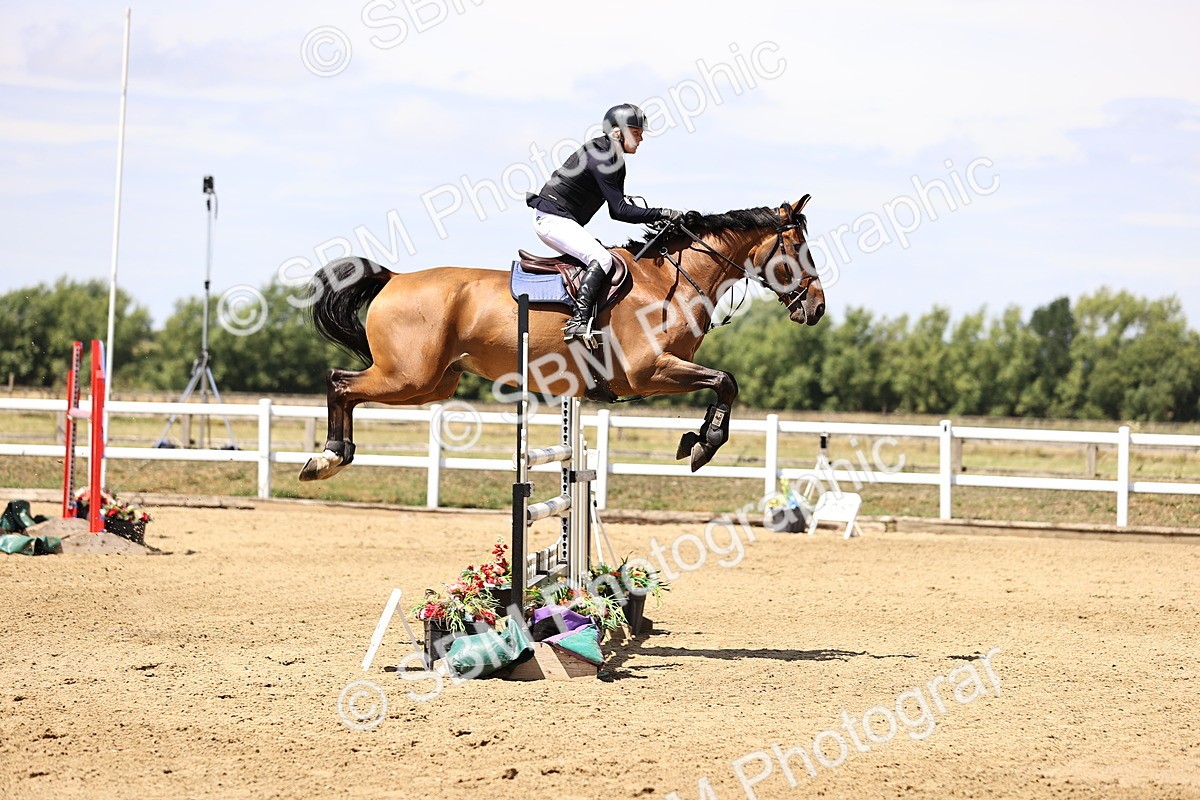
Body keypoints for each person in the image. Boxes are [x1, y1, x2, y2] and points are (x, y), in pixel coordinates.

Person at [527, 103, 685, 343]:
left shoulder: (614, 158)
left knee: (603, 255)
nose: (641, 138)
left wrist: (660, 214)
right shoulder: (603, 155)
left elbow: (617, 211)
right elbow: (620, 209)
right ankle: (578, 322)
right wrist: (662, 213)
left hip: (561, 219)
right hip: (552, 219)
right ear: (617, 132)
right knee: (601, 258)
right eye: (636, 132)